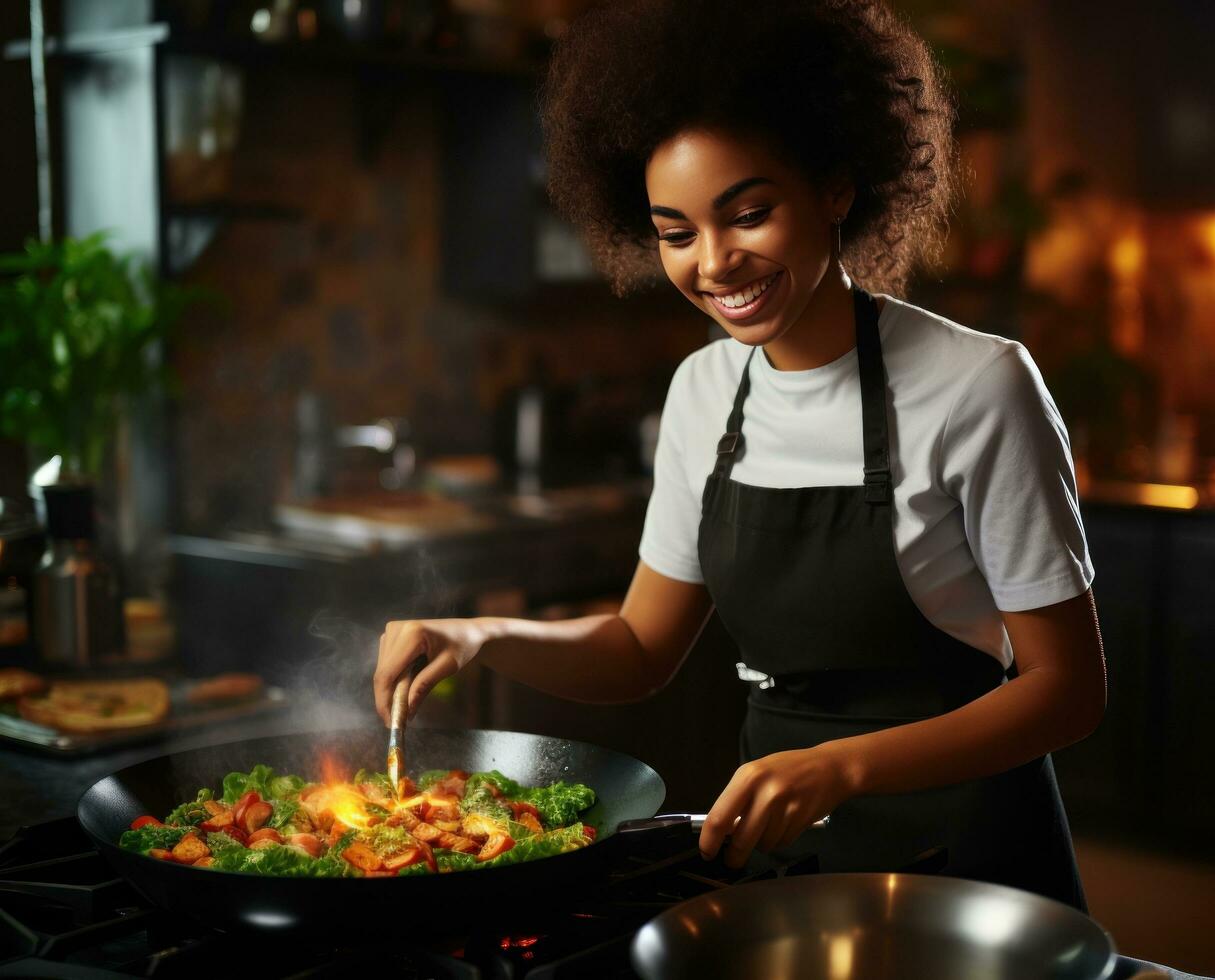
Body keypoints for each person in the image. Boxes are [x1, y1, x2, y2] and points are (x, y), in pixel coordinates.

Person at [375, 0, 1106, 911]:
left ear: (835, 186)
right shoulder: (702, 392)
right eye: (676, 233)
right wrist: (481, 637)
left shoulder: (977, 385)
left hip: (967, 870)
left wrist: (842, 767)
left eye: (747, 213)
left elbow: (1067, 690)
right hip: (784, 863)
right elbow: (638, 648)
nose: (714, 263)